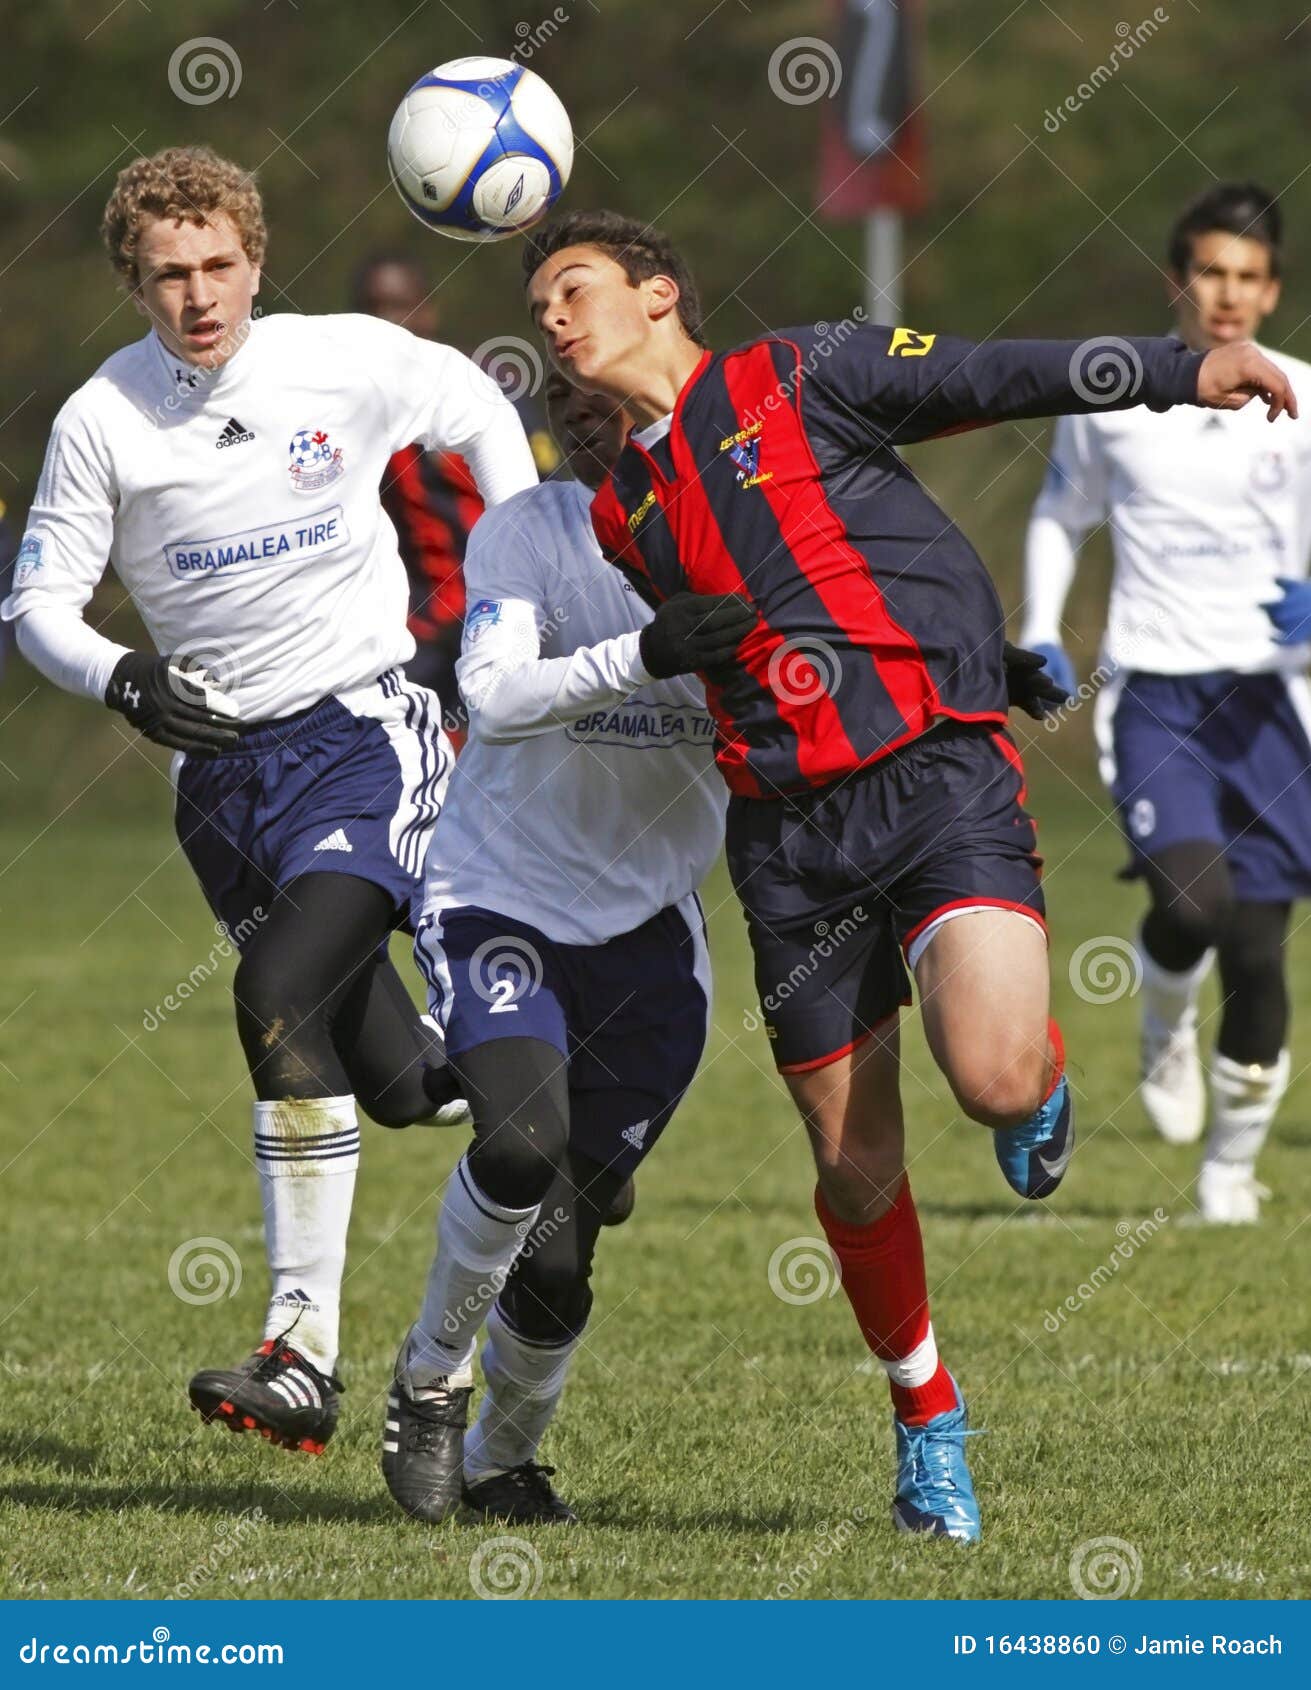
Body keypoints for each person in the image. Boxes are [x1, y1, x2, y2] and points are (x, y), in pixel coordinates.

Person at [521, 208, 1296, 1542]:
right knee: (856, 1162)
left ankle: (1035, 1082)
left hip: (933, 775)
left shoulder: (798, 371)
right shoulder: (619, 511)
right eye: (535, 299)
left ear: (657, 293)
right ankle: (924, 1412)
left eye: (569, 285)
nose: (548, 313)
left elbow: (992, 375)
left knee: (991, 1075)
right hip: (786, 838)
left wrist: (1177, 373)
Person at [1, 146, 537, 1455]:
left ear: (255, 258)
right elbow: (34, 609)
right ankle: (540, 1133)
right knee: (402, 1085)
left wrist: (519, 567)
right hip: (219, 790)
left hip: (364, 734)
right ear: (134, 279)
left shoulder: (339, 359)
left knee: (277, 990)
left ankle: (300, 1349)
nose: (200, 294)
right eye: (171, 273)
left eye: (220, 265)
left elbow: (472, 400)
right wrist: (126, 678)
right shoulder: (105, 421)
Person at [382, 372, 729, 1524]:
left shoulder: (743, 530)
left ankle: (504, 1458)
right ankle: (430, 1382)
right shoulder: (527, 526)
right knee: (523, 1146)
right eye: (560, 381)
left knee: (567, 1250)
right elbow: (490, 689)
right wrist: (645, 654)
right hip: (498, 897)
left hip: (650, 942)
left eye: (607, 389)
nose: (583, 407)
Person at [1019, 181, 1311, 1224]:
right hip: (1154, 699)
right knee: (1192, 903)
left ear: (1271, 291)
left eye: (1247, 277)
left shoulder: (1306, 402)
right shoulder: (1119, 399)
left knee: (1259, 952)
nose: (1226, 295)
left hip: (1278, 710)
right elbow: (1062, 511)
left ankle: (1230, 1171)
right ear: (1176, 280)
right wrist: (1042, 625)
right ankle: (1162, 1011)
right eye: (1209, 273)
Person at [352, 253, 560, 738]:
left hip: (498, 616)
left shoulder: (482, 394)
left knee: (508, 772)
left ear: (428, 311)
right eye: (374, 308)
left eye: (400, 306)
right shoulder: (340, 408)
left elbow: (541, 505)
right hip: (407, 634)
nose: (388, 322)